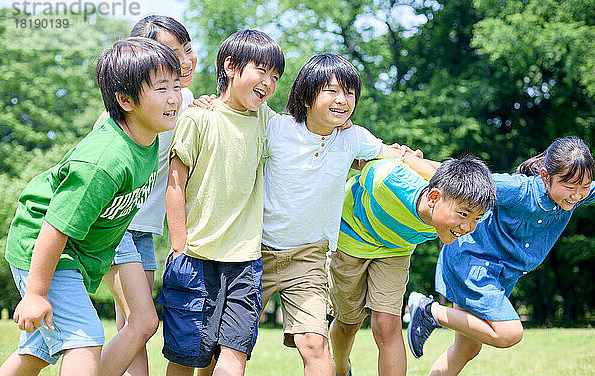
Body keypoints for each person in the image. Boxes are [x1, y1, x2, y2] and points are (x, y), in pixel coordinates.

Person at [0, 37, 182, 376]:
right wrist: (36, 293)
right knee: (84, 339)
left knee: (38, 350)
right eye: (160, 89)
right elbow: (56, 225)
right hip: (44, 246)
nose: (174, 97)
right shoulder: (105, 160)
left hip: (76, 253)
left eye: (176, 85)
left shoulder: (146, 140)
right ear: (125, 100)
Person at [259, 52, 415, 376]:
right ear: (305, 95)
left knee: (316, 346)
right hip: (255, 252)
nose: (342, 100)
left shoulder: (352, 138)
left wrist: (442, 173)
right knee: (227, 343)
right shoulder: (275, 127)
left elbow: (396, 157)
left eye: (350, 93)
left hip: (309, 258)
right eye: (331, 91)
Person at [407, 136, 595, 376]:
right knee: (509, 332)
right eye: (570, 187)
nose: (577, 195)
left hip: (496, 274)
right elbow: (456, 178)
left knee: (467, 348)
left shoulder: (576, 192)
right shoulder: (519, 190)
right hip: (473, 262)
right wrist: (405, 159)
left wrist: (579, 189)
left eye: (584, 187)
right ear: (546, 176)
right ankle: (428, 310)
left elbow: (583, 190)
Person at [159, 29, 284, 376]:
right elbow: (175, 183)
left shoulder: (266, 120)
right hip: (196, 257)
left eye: (275, 77)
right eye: (261, 71)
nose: (269, 83)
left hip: (245, 262)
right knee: (187, 358)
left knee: (235, 352)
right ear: (230, 66)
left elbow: (305, 132)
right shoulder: (198, 117)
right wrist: (179, 245)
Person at [329, 155, 497, 376]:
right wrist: (400, 155)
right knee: (348, 323)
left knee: (388, 324)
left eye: (476, 219)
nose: (467, 226)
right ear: (433, 198)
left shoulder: (449, 208)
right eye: (463, 215)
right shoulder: (387, 179)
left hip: (396, 248)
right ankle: (342, 369)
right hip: (351, 236)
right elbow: (355, 156)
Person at [95, 15, 197, 376]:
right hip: (114, 225)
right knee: (142, 322)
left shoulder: (186, 101)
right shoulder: (119, 117)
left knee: (132, 327)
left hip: (145, 228)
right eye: (171, 51)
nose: (184, 60)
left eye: (187, 48)